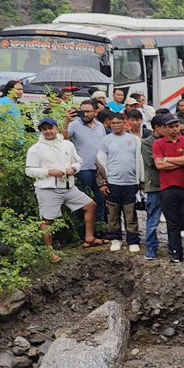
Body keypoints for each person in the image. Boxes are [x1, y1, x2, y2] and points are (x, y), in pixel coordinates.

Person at [25, 117, 99, 262]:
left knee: (91, 206)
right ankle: (50, 252)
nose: (48, 131)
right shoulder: (35, 149)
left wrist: (73, 169)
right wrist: (48, 172)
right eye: (44, 129)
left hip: (68, 186)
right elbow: (29, 170)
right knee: (47, 220)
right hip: (48, 188)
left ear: (56, 128)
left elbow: (78, 161)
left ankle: (89, 237)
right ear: (41, 130)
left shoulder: (67, 145)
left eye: (50, 128)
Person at [153, 113, 184, 263]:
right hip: (167, 188)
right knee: (172, 222)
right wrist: (182, 160)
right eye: (171, 127)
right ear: (164, 128)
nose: (175, 129)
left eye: (176, 126)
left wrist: (167, 159)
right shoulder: (158, 144)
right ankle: (175, 252)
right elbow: (159, 165)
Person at [96, 113, 142, 253]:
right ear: (109, 124)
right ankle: (115, 238)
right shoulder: (106, 140)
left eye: (118, 123)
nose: (116, 125)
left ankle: (133, 240)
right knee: (113, 213)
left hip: (130, 182)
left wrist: (141, 180)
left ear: (125, 122)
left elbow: (140, 160)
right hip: (113, 183)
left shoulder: (134, 139)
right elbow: (100, 162)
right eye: (113, 123)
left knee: (130, 213)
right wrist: (102, 183)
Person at [67, 100, 108, 222]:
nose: (85, 114)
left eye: (89, 111)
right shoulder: (74, 125)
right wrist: (67, 121)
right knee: (84, 201)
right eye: (82, 111)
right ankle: (84, 230)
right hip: (83, 169)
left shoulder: (100, 126)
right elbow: (63, 137)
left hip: (99, 169)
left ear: (95, 112)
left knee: (100, 200)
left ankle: (99, 229)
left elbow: (105, 146)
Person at [137, 110, 164, 260]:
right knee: (153, 218)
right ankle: (151, 247)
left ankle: (175, 247)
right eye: (165, 126)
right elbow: (154, 163)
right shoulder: (147, 143)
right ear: (157, 127)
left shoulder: (170, 141)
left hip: (171, 185)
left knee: (175, 219)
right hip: (154, 185)